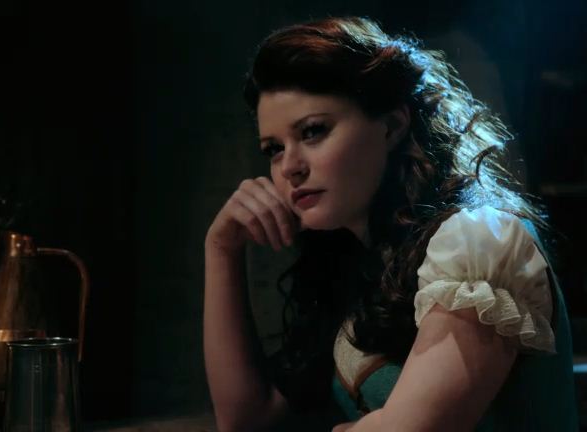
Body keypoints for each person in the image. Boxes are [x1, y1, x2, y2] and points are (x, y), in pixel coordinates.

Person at [203, 16, 578, 431]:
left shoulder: (479, 240)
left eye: (313, 131)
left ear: (392, 125)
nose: (290, 166)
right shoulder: (357, 267)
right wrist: (221, 249)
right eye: (273, 148)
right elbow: (245, 422)